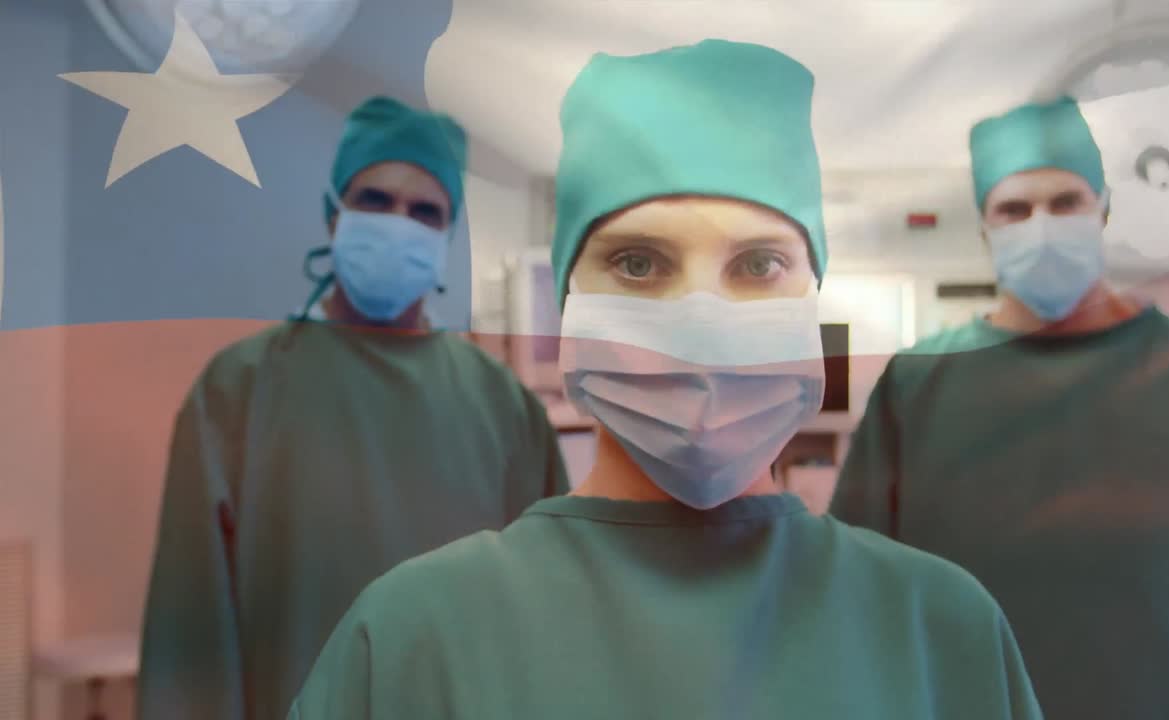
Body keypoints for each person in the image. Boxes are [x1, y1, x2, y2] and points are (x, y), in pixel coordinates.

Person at [288, 40, 1042, 719]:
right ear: (570, 303)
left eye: (758, 265)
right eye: (638, 263)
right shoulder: (409, 641)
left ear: (813, 293)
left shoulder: (940, 630)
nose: (701, 316)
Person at [831, 97, 1169, 720]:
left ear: (1103, 210)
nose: (1040, 224)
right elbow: (859, 600)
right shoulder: (917, 387)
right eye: (1014, 209)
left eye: (1065, 202)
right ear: (986, 229)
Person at [137, 96, 569, 720]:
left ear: (446, 237)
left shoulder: (505, 409)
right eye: (375, 201)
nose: (399, 222)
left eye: (425, 211)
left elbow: (546, 620)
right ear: (334, 216)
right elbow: (191, 641)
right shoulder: (239, 392)